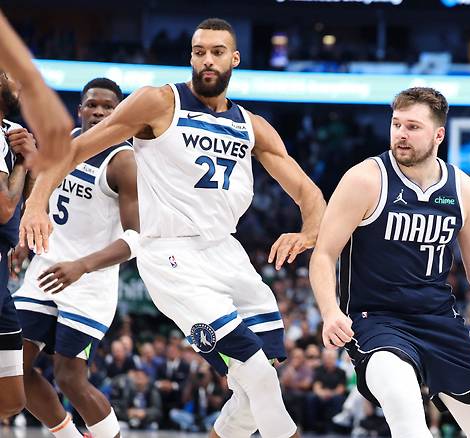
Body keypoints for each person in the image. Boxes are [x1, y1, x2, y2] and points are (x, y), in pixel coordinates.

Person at [20, 18, 325, 438]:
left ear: (234, 59)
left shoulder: (250, 125)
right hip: (171, 254)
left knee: (259, 380)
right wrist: (36, 203)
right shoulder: (159, 103)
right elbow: (76, 149)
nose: (207, 60)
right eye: (199, 52)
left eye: (217, 52)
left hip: (226, 252)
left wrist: (310, 231)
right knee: (256, 374)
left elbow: (308, 191)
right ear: (191, 57)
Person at [309, 87, 470, 437]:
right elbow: (323, 254)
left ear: (438, 134)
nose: (401, 134)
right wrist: (330, 311)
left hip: (440, 321)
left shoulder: (464, 191)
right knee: (409, 421)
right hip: (377, 322)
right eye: (396, 124)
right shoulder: (365, 180)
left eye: (413, 126)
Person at [13, 77, 138, 438]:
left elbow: (135, 241)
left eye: (108, 107)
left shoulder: (122, 162)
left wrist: (81, 266)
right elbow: (43, 196)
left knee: (69, 378)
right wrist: (27, 236)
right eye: (92, 105)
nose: (99, 112)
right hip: (45, 269)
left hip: (89, 282)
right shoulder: (63, 145)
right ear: (80, 109)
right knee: (11, 367)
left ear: (120, 112)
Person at [0, 10, 72, 172]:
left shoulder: (14, 130)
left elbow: (32, 196)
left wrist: (30, 158)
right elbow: (6, 198)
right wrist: (34, 86)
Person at [0, 69, 33, 420]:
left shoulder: (11, 133)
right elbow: (5, 208)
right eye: (10, 77)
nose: (19, 83)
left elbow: (33, 198)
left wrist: (31, 157)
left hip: (3, 269)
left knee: (11, 401)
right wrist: (22, 164)